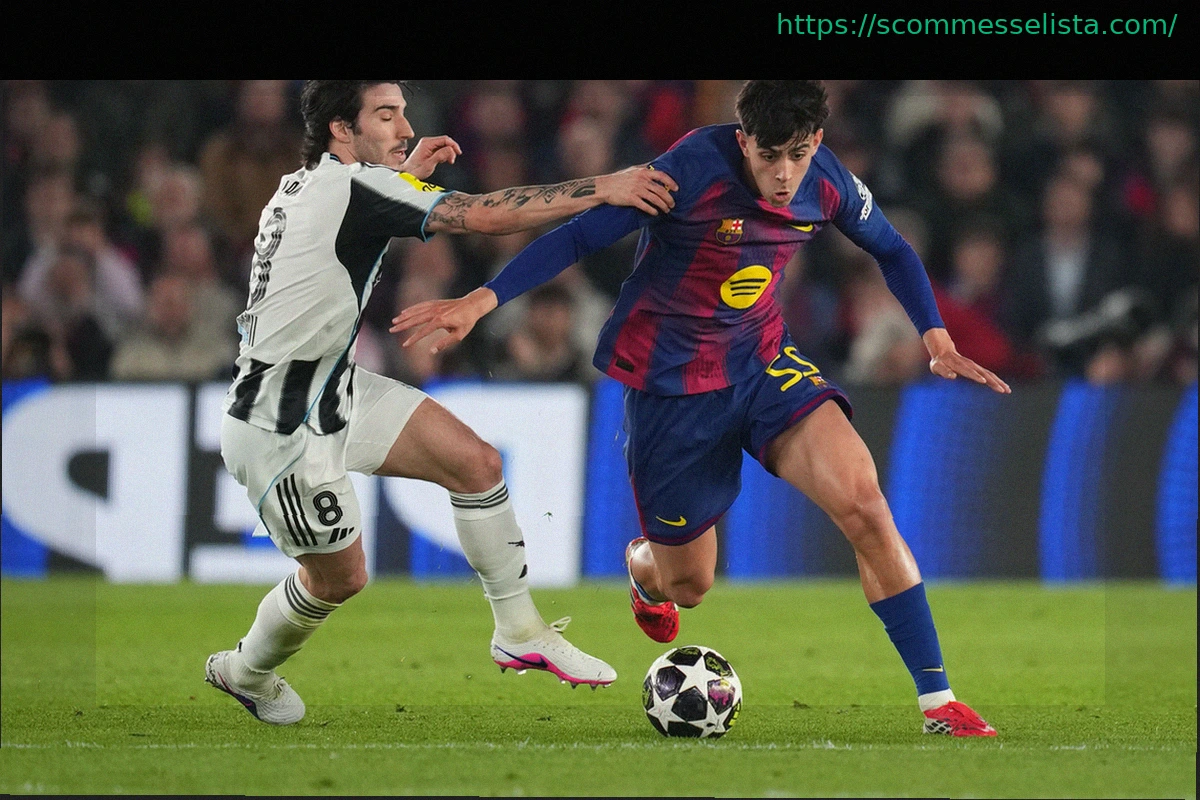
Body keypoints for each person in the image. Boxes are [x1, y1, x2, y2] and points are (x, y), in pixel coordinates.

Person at [391, 80, 1010, 737]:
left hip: (763, 362)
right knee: (689, 585)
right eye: (769, 155)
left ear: (817, 143)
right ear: (743, 141)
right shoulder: (688, 171)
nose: (784, 174)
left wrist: (936, 339)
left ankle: (938, 702)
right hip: (672, 389)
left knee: (864, 502)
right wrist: (482, 301)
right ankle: (645, 570)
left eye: (798, 155)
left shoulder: (827, 181)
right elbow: (579, 237)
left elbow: (893, 248)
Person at [205, 80, 678, 726]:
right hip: (278, 423)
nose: (405, 129)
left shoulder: (305, 185)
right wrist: (607, 186)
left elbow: (346, 229)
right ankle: (246, 670)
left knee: (476, 463)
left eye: (402, 113)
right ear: (341, 129)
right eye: (385, 115)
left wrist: (401, 177)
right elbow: (483, 214)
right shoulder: (356, 189)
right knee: (340, 578)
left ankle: (520, 630)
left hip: (333, 388)